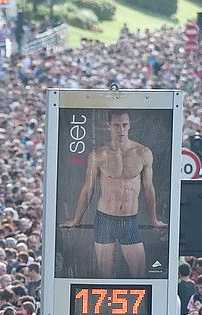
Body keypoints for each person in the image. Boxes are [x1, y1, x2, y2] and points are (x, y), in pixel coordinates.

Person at [60, 109, 165, 279]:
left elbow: (149, 188)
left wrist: (153, 219)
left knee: (139, 274)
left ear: (129, 125)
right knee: (105, 275)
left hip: (130, 219)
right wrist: (76, 219)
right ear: (109, 126)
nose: (121, 130)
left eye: (124, 125)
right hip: (105, 218)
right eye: (116, 125)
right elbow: (88, 188)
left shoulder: (143, 153)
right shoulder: (98, 155)